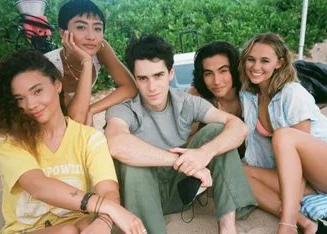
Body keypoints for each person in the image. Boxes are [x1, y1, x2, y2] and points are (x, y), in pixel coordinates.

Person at [0, 50, 146, 234]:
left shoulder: (89, 138)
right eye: (19, 99)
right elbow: (38, 186)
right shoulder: (7, 139)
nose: (30, 105)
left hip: (79, 224)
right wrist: (109, 208)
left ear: (57, 86)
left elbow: (108, 190)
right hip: (27, 230)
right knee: (67, 232)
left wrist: (104, 220)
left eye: (37, 91)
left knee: (87, 226)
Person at [104, 34, 257, 234]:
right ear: (135, 78)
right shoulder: (123, 110)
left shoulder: (186, 102)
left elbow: (238, 127)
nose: (152, 87)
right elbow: (116, 144)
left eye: (158, 75)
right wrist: (181, 161)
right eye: (143, 78)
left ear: (170, 73)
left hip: (178, 191)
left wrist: (204, 153)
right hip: (139, 198)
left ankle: (228, 228)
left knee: (216, 131)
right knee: (132, 163)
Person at [238, 33, 327, 234]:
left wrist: (287, 212)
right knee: (241, 172)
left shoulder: (292, 93)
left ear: (279, 63)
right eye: (250, 59)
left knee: (284, 135)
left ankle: (288, 224)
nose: (255, 67)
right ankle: (306, 224)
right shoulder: (248, 96)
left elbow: (299, 157)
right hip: (309, 182)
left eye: (265, 60)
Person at [45, 0, 137, 125]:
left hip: (78, 113)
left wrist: (92, 109)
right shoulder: (50, 65)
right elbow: (75, 118)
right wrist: (87, 62)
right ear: (63, 32)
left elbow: (131, 87)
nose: (91, 36)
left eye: (97, 28)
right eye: (81, 27)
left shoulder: (101, 48)